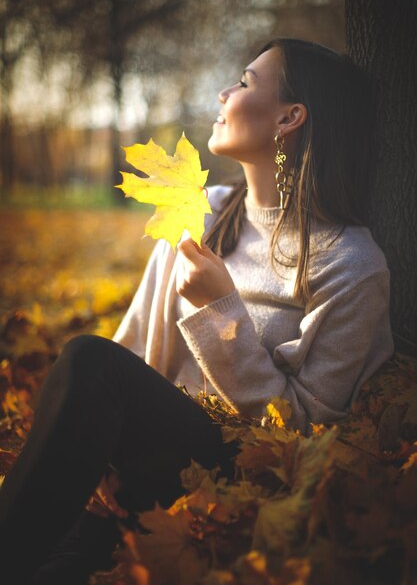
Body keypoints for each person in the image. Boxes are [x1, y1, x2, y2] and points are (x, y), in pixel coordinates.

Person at [0, 38, 393, 585]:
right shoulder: (199, 213)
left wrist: (221, 310)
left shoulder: (351, 264)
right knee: (54, 565)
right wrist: (101, 452)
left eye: (246, 82)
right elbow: (132, 351)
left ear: (290, 117)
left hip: (234, 484)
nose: (224, 92)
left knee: (86, 359)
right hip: (143, 467)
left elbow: (307, 431)